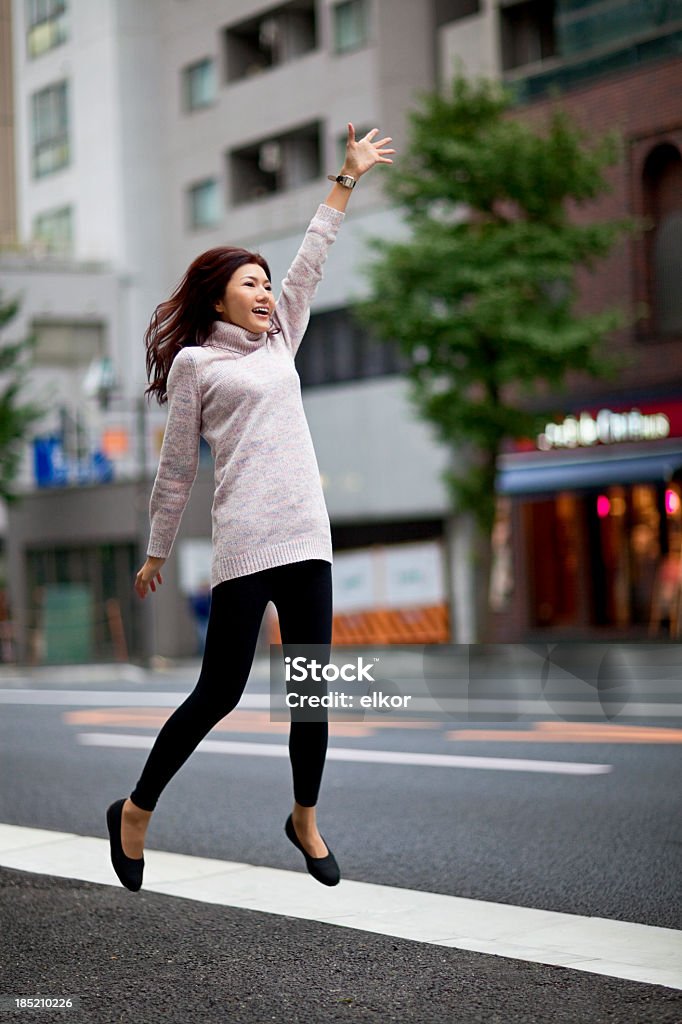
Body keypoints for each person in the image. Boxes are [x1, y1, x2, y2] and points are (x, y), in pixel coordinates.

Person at [106, 124, 395, 891]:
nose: (268, 292)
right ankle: (136, 810)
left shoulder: (281, 341)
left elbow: (312, 259)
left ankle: (303, 816)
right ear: (219, 298)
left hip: (308, 537)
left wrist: (346, 179)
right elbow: (175, 474)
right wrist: (157, 553)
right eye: (252, 284)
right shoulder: (200, 365)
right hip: (244, 545)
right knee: (220, 691)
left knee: (309, 690)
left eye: (269, 284)